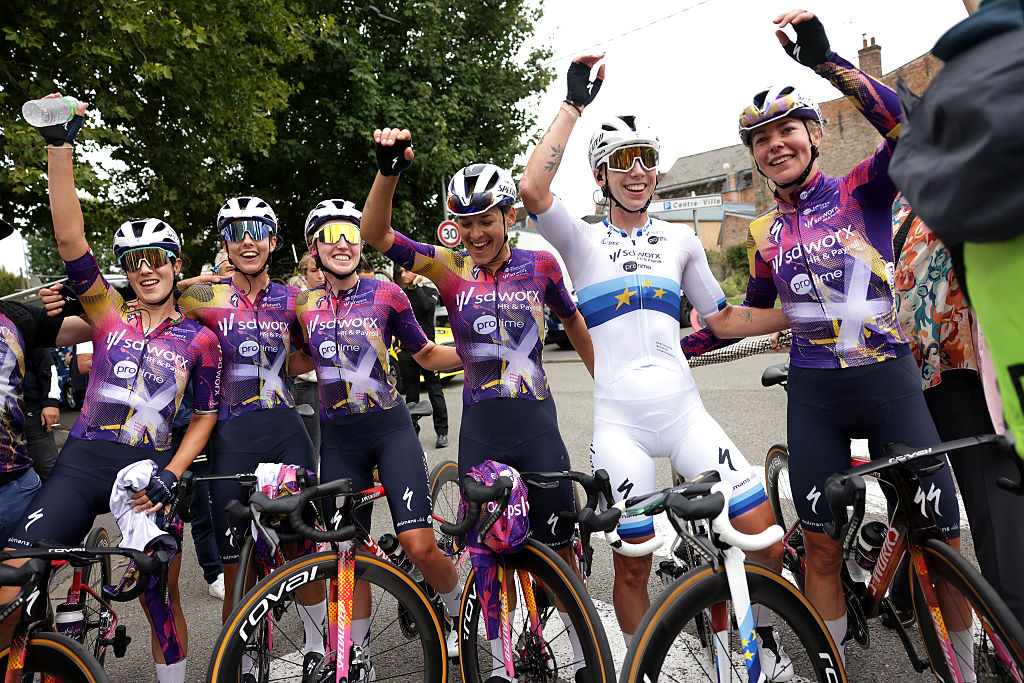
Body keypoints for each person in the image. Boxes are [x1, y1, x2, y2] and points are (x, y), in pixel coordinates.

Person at [681, 10, 968, 669]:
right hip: (815, 395)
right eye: (760, 138)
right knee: (819, 546)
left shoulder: (861, 187)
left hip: (887, 376)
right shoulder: (762, 236)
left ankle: (971, 668)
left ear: (813, 133)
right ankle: (830, 664)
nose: (775, 144)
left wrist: (825, 60)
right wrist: (678, 343)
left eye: (787, 129)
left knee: (943, 537)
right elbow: (754, 316)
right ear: (753, 156)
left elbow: (907, 127)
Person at [519, 55, 791, 672]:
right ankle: (648, 664)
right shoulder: (581, 240)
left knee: (762, 536)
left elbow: (720, 321)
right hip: (622, 429)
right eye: (622, 160)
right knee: (634, 561)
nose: (637, 172)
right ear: (601, 173)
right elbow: (533, 189)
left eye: (645, 159)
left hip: (685, 413)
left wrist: (798, 316)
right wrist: (572, 105)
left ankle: (754, 640)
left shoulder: (682, 239)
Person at [3, 95, 223, 683]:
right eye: (133, 262)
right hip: (83, 462)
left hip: (151, 475)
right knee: (12, 575)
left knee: (160, 599)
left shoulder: (200, 341)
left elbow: (202, 417)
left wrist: (172, 473)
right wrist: (59, 146)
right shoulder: (107, 315)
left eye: (157, 259)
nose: (145, 270)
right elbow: (71, 239)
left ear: (177, 265)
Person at [361, 130, 594, 680]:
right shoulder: (446, 267)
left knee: (559, 560)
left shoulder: (541, 266)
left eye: (486, 218)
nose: (476, 232)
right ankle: (500, 667)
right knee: (491, 563)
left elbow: (573, 323)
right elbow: (374, 234)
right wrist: (389, 169)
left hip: (538, 429)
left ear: (508, 216)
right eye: (465, 223)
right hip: (483, 435)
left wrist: (605, 382)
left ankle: (586, 662)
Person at [289, 198, 465, 663]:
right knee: (347, 554)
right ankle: (358, 654)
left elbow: (425, 354)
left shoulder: (387, 293)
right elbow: (297, 358)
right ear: (313, 247)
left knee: (419, 545)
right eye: (329, 235)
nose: (342, 243)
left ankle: (457, 615)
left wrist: (479, 352)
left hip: (390, 431)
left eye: (349, 232)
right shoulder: (301, 304)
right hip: (340, 441)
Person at [176, 196, 322, 627]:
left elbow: (300, 358)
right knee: (235, 570)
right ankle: (236, 663)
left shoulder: (293, 298)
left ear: (273, 241)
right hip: (230, 438)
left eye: (257, 231)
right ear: (225, 243)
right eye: (236, 233)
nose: (247, 242)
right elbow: (158, 310)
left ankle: (318, 650)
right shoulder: (202, 298)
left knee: (303, 549)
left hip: (284, 429)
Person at [891, 198, 1024, 626]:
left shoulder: (976, 169)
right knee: (910, 490)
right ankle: (908, 592)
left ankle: (1013, 639)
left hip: (966, 367)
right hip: (904, 369)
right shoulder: (897, 193)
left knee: (994, 509)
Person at [397, 267, 449, 448]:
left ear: (416, 273)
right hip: (407, 352)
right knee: (411, 395)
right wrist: (398, 347)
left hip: (429, 351)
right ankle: (413, 435)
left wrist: (418, 286)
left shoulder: (429, 292)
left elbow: (427, 307)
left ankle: (442, 433)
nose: (403, 275)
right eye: (401, 272)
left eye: (407, 271)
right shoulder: (401, 295)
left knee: (435, 391)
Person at [291, 252, 324, 457]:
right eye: (314, 270)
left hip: (337, 384)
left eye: (322, 269)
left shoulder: (339, 301)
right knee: (312, 448)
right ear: (305, 274)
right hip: (308, 385)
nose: (320, 275)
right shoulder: (297, 305)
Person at [23, 346, 60, 479]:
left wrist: (51, 402)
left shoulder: (21, 327)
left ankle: (55, 499)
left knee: (47, 468)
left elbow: (47, 366)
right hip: (5, 418)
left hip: (31, 414)